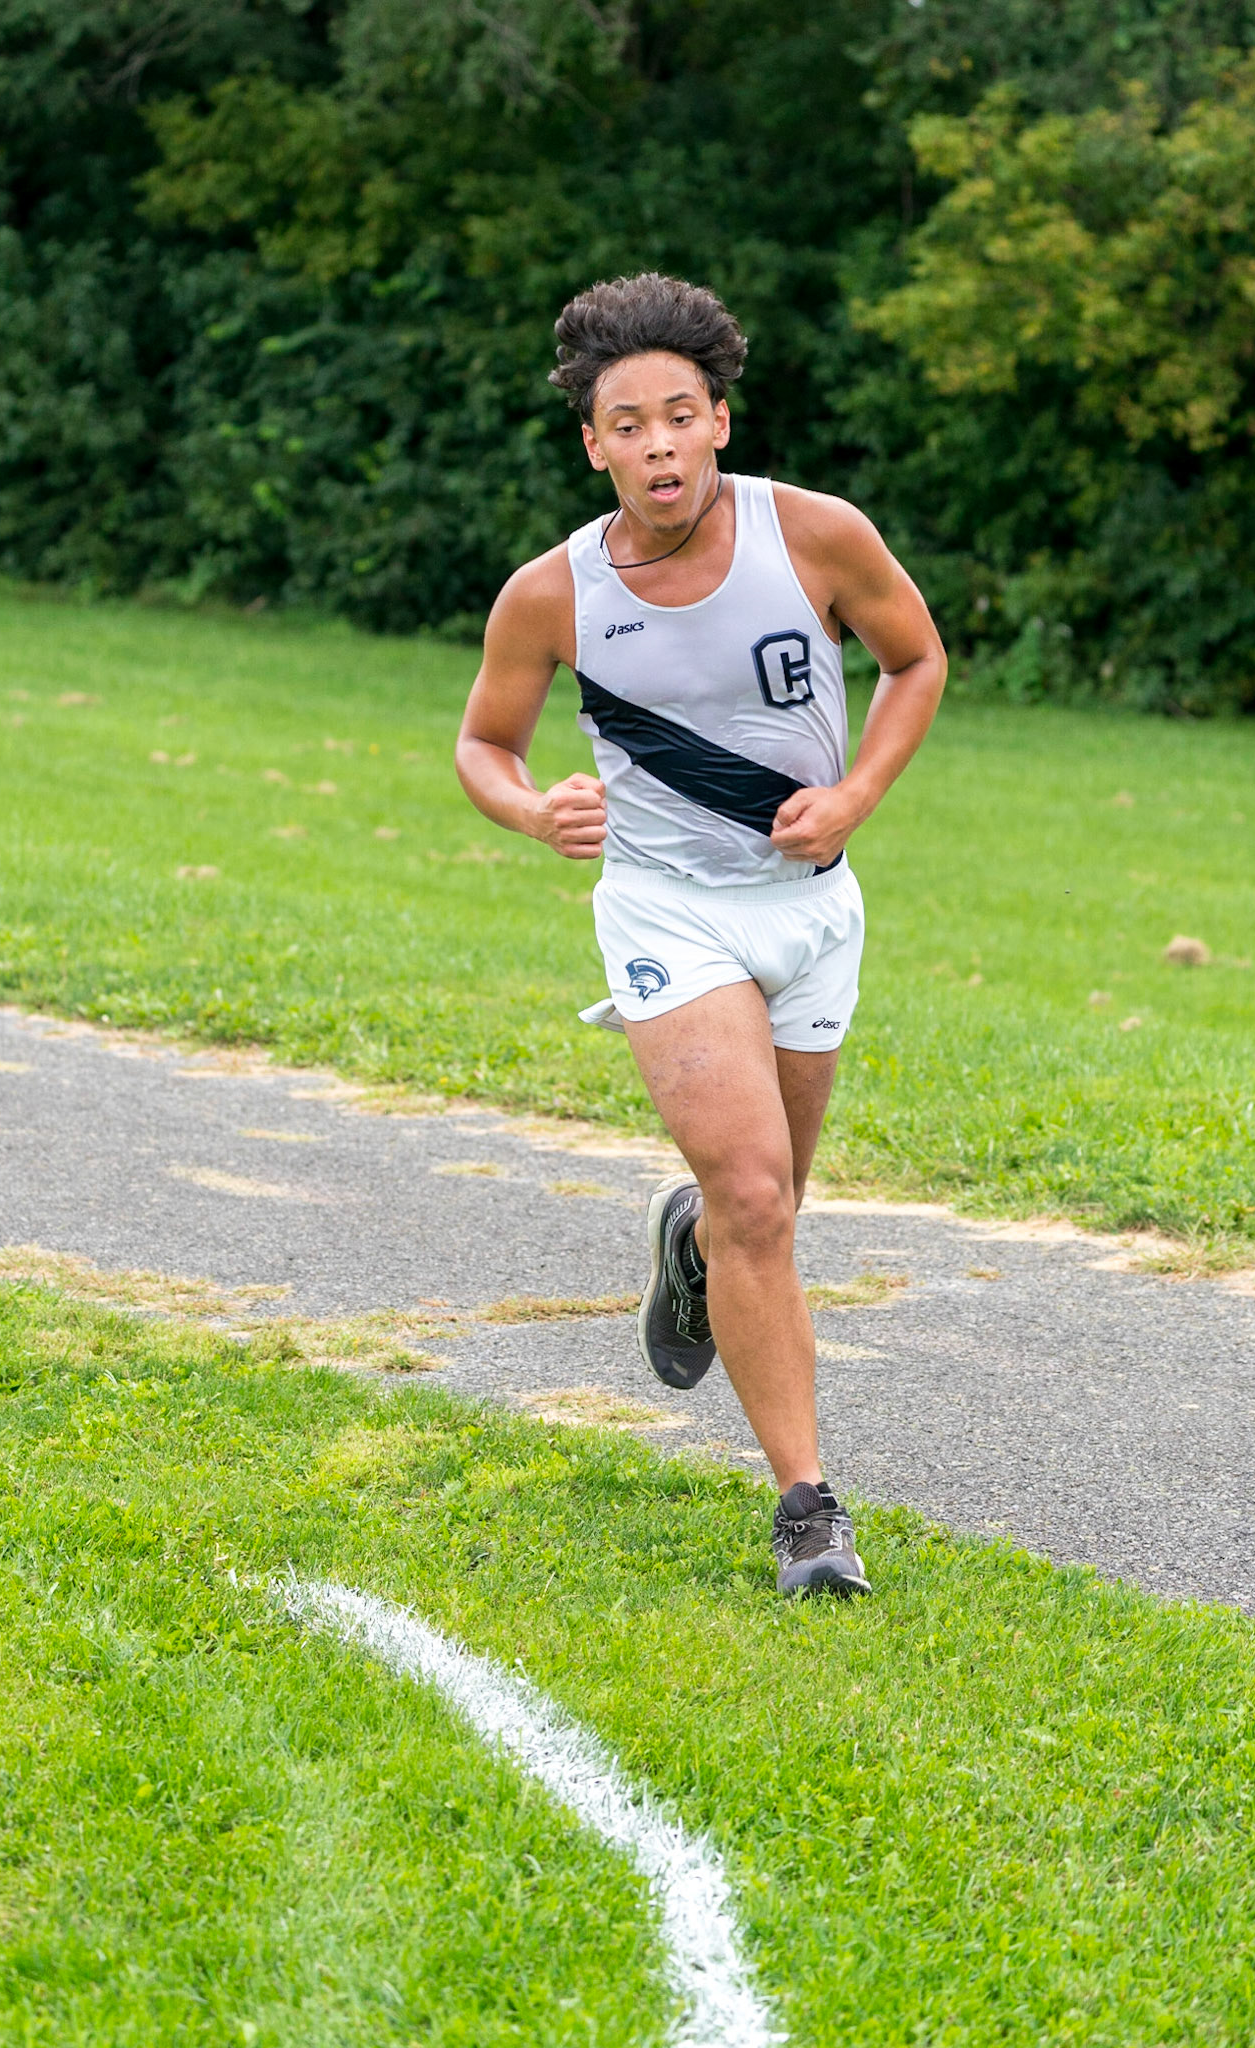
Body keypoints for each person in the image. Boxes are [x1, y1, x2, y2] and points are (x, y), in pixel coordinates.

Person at [455, 272, 946, 1597]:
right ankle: (808, 1512)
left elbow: (915, 660)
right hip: (667, 913)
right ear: (594, 445)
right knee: (757, 1196)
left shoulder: (818, 535)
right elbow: (484, 743)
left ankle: (691, 1244)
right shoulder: (552, 595)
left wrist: (856, 793)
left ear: (719, 421)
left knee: (762, 1207)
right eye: (630, 425)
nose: (660, 445)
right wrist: (529, 807)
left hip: (812, 911)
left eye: (681, 416)